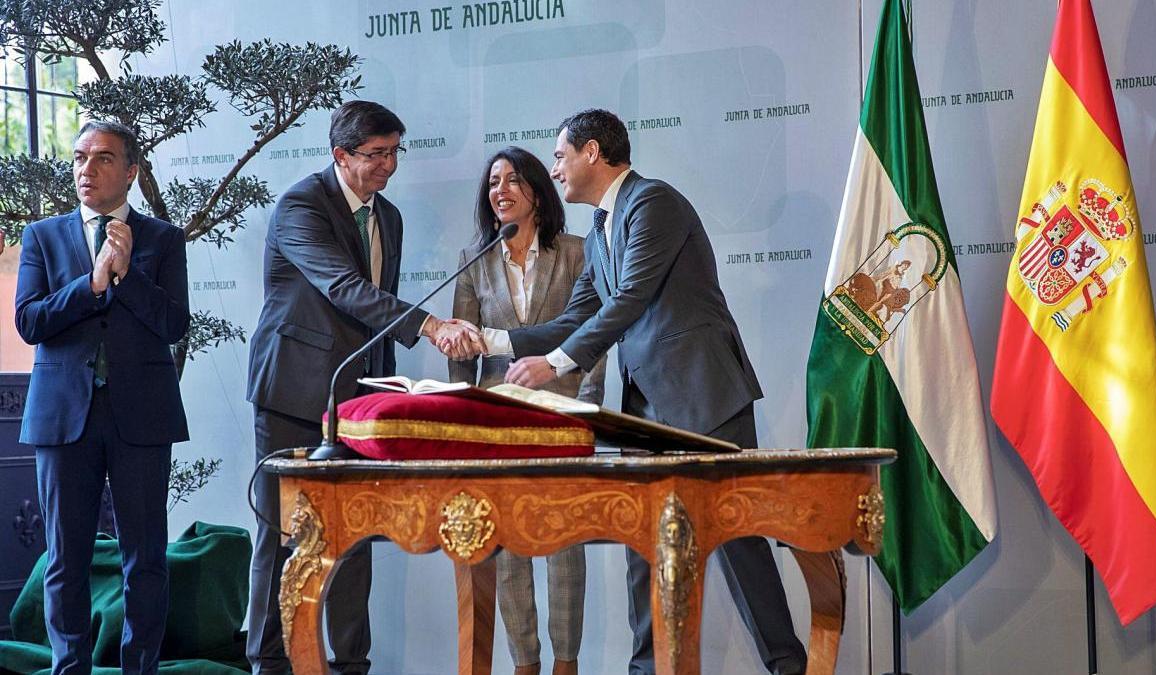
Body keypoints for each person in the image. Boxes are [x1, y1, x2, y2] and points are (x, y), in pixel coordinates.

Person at [445, 109, 808, 675]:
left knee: (737, 540)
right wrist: (487, 339)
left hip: (703, 393)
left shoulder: (652, 203)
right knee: (645, 548)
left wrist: (556, 365)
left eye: (561, 157)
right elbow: (576, 315)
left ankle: (788, 665)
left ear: (592, 152)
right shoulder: (599, 229)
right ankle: (647, 669)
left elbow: (630, 298)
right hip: (645, 410)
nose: (556, 169)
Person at [244, 100, 477, 675]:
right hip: (294, 394)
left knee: (355, 536)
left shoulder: (388, 217)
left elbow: (372, 313)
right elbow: (345, 288)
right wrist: (430, 325)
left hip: (361, 398)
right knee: (283, 534)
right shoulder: (302, 204)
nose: (389, 166)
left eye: (395, 152)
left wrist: (396, 385)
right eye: (376, 154)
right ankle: (269, 660)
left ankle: (351, 664)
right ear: (340, 154)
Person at [15, 120, 189, 674]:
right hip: (64, 418)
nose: (86, 170)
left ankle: (141, 667)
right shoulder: (43, 235)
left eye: (103, 159)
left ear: (132, 172)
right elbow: (29, 321)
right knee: (66, 558)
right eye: (79, 158)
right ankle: (72, 668)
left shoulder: (163, 239)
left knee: (146, 558)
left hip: (143, 416)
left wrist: (127, 271)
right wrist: (91, 283)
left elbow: (174, 324)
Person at [448, 147, 605, 675]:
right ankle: (524, 666)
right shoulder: (475, 258)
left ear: (537, 191)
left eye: (513, 179)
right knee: (508, 549)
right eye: (493, 182)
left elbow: (596, 340)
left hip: (562, 422)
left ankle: (566, 664)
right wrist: (459, 425)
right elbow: (460, 350)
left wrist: (588, 412)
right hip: (497, 428)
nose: (501, 189)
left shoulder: (580, 252)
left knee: (564, 548)